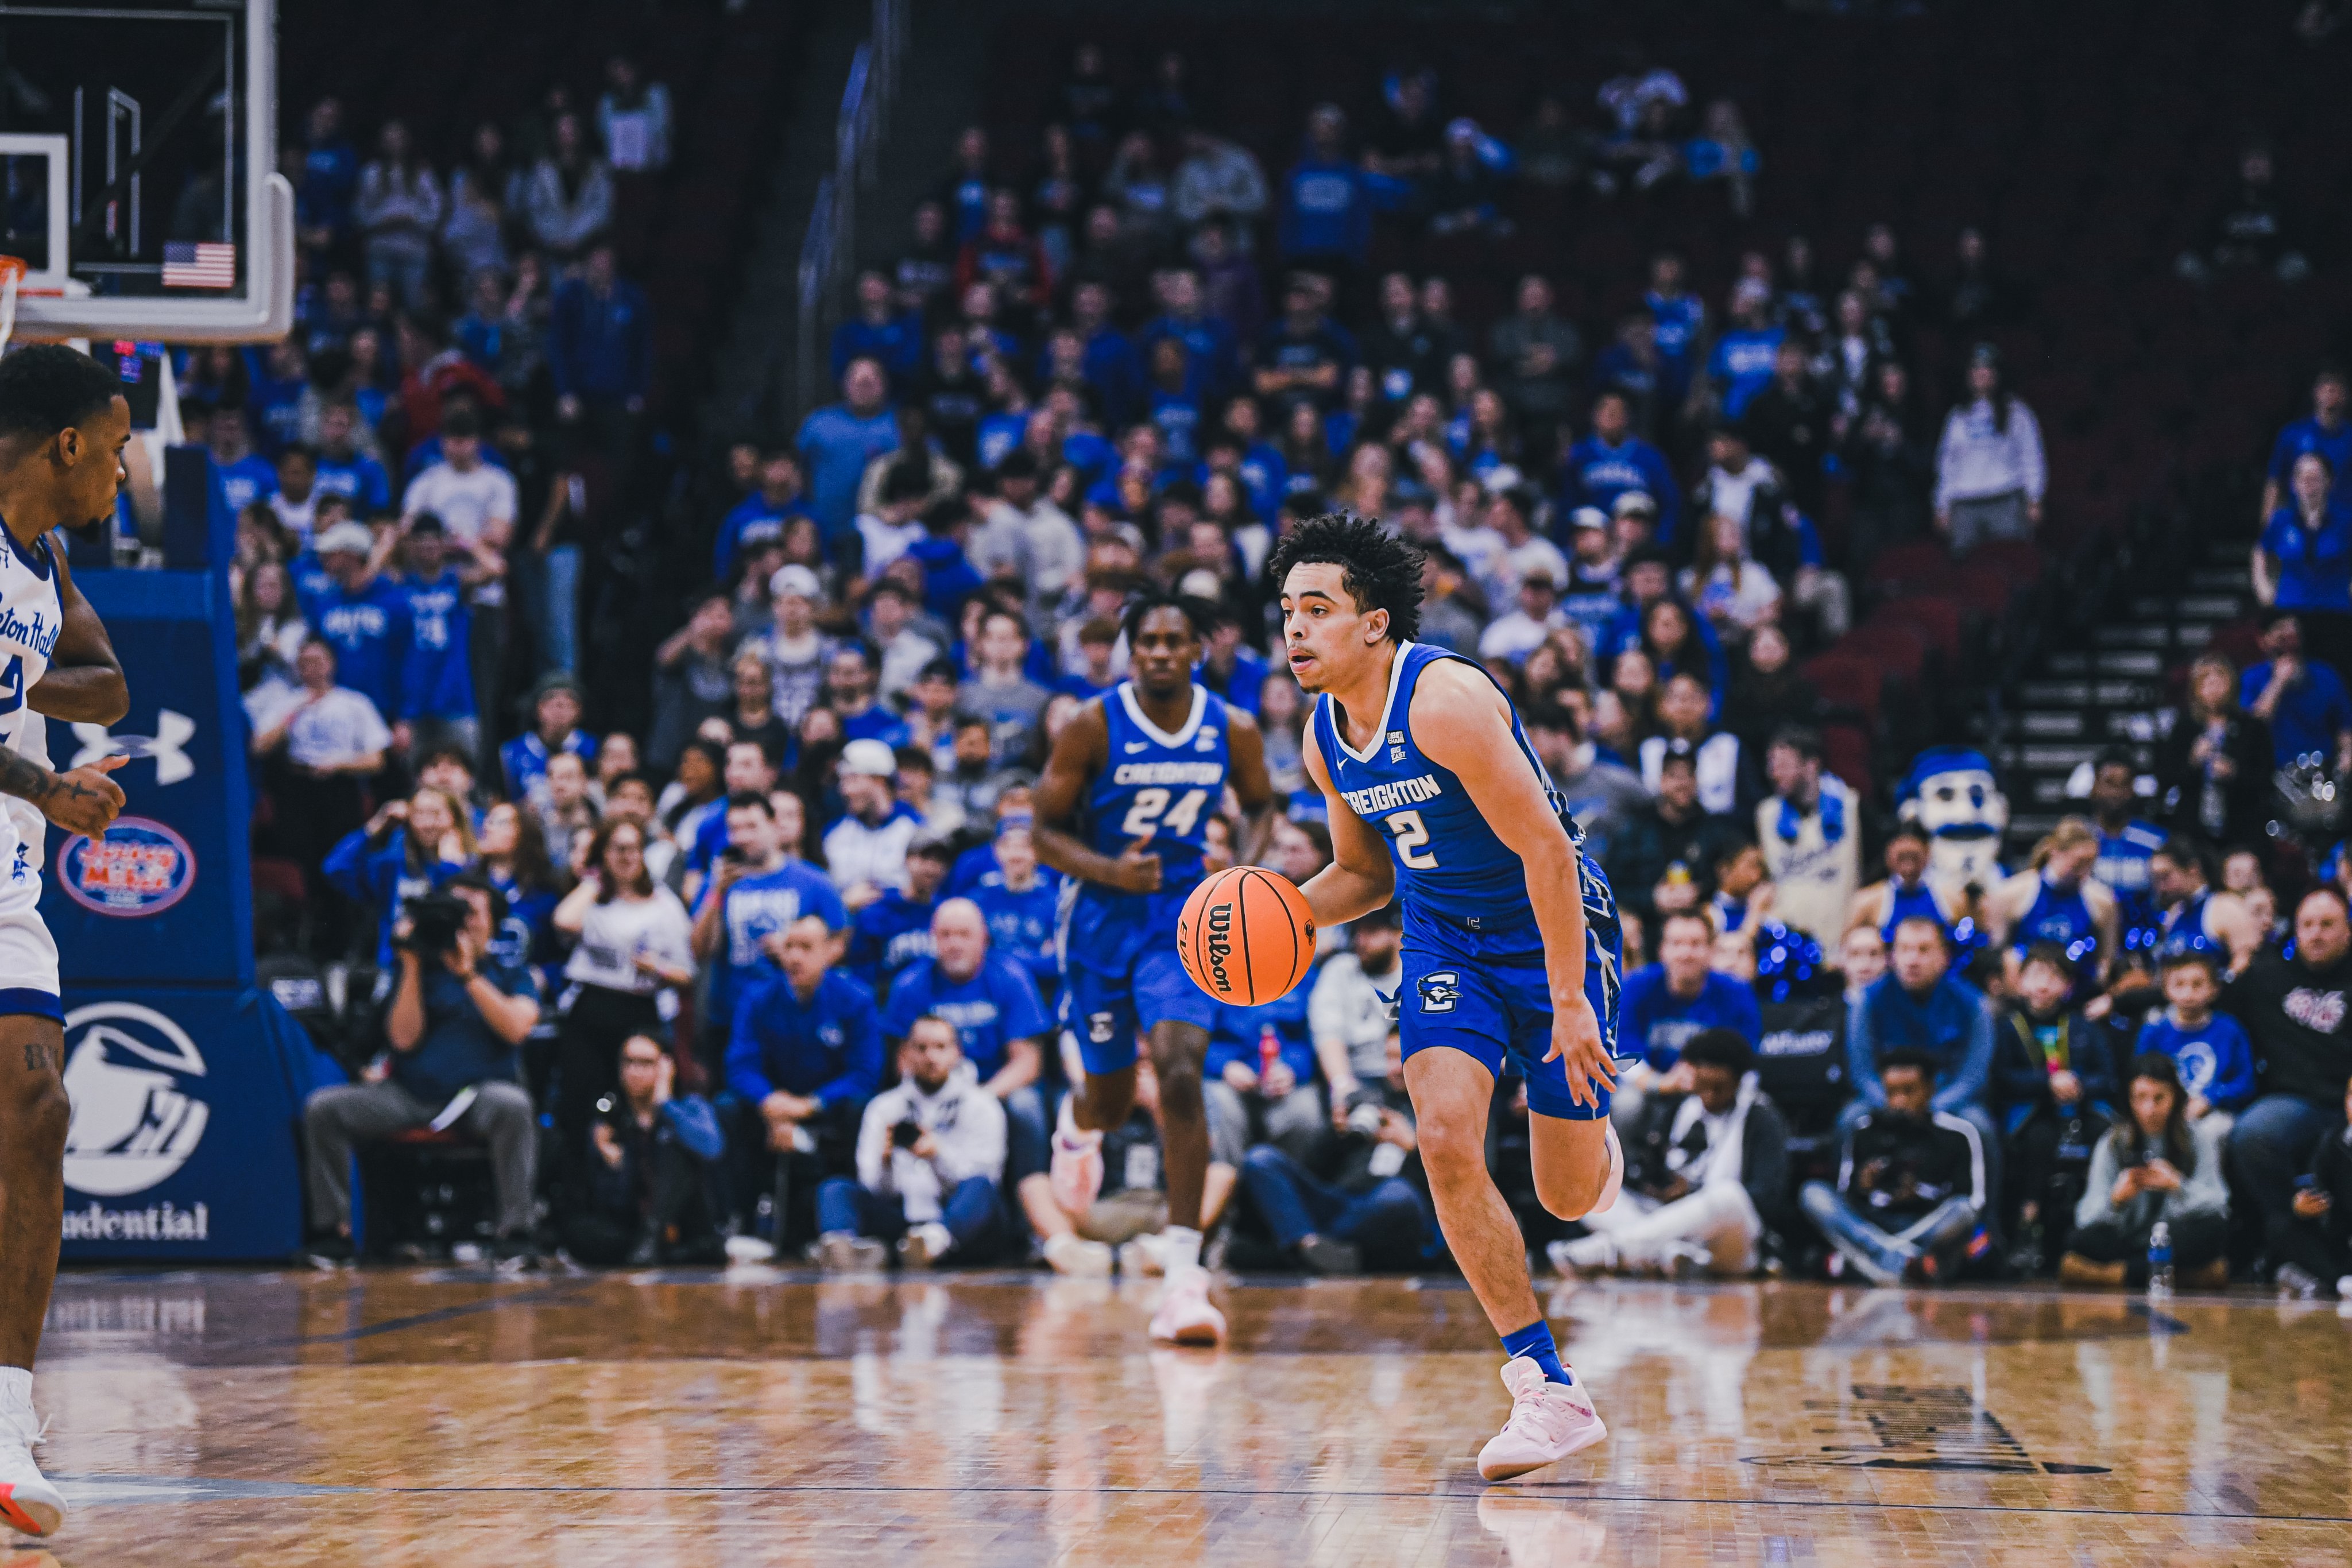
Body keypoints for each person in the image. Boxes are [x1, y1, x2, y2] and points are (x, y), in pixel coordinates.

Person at [1273, 513, 1623, 1481]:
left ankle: (1597, 1149)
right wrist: (1284, 919)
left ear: (1375, 623)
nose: (1295, 630)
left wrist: (1569, 1002)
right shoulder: (1322, 736)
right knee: (1441, 1138)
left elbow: (1548, 851)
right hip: (1441, 944)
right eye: (1287, 612)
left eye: (1317, 609)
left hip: (1549, 931)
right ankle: (1546, 1387)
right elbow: (1365, 876)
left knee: (1566, 1193)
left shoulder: (1448, 700)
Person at [1035, 591, 1274, 1347]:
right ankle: (1079, 1130)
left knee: (1179, 1069)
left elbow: (1263, 805)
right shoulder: (1091, 723)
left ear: (1197, 650)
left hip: (1183, 914)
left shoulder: (1230, 727)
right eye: (1149, 642)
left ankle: (1182, 1275)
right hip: (1103, 918)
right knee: (1109, 1100)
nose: (1163, 652)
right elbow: (1040, 831)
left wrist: (1244, 865)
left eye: (1176, 640)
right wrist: (1107, 867)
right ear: (1130, 651)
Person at [0, 344, 135, 1538]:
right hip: (21, 820)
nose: (130, 467)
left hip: (3, 882)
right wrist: (40, 786)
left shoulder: (43, 557)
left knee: (38, 1117)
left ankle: (3, 1424)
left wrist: (17, 691)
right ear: (69, 444)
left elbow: (106, 685)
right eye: (122, 442)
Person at [301, 874, 541, 1268]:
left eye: (472, 913)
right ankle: (334, 1234)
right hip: (410, 1095)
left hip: (475, 1097)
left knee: (514, 1105)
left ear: (493, 923)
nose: (463, 922)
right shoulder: (418, 971)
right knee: (324, 1109)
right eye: (455, 913)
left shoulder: (509, 973)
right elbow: (403, 1040)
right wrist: (411, 965)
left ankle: (516, 1234)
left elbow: (517, 1027)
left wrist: (468, 975)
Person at [1549, 1028, 1788, 1279]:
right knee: (1592, 1195)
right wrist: (1653, 1185)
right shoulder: (1677, 1107)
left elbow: (1766, 1197)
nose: (1709, 1096)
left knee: (1730, 1196)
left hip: (1728, 1238)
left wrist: (1692, 1193)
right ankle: (1671, 1255)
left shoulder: (1762, 1117)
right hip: (1665, 1221)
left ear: (1739, 1081)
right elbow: (1641, 1170)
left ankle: (1609, 1252)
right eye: (1703, 1086)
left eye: (1719, 1088)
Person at [725, 913, 885, 1254]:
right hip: (771, 1108)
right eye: (789, 947)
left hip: (827, 1109)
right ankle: (737, 1220)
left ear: (830, 952)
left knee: (863, 1108)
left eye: (806, 948)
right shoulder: (758, 998)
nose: (795, 957)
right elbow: (740, 1065)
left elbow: (865, 1074)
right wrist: (768, 1102)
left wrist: (810, 1105)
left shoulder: (857, 999)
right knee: (726, 1108)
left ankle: (846, 1226)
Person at [814, 1015, 1011, 1270]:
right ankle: (842, 1252)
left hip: (959, 1226)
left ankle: (931, 1245)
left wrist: (937, 1156)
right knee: (835, 1189)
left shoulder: (982, 1106)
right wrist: (886, 1164)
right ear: (905, 1054)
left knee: (981, 1186)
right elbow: (872, 1186)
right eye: (921, 1048)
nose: (931, 1057)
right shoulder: (883, 1107)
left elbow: (986, 1183)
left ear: (957, 1053)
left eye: (940, 1047)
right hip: (903, 1224)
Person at [1237, 1031, 1432, 1276]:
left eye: (1403, 1059)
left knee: (1399, 1195)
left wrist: (1412, 1147)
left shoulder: (1437, 1108)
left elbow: (1456, 1188)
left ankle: (1306, 1250)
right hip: (1336, 1204)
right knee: (1261, 1159)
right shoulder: (1367, 1095)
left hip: (1386, 1212)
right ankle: (1308, 1247)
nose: (1395, 1068)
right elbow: (1314, 1169)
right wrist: (1337, 1134)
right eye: (1389, 1057)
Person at [550, 819, 695, 1145]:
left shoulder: (663, 904)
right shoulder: (592, 899)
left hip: (637, 1011)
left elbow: (687, 974)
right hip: (590, 1008)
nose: (627, 857)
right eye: (618, 849)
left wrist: (656, 966)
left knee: (625, 1106)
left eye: (634, 849)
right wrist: (594, 879)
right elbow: (564, 921)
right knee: (581, 1101)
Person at [2226, 888, 2352, 1260]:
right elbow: (2201, 1003)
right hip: (2295, 1103)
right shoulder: (2267, 977)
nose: (2316, 933)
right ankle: (2295, 1232)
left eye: (2327, 925)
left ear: (2348, 930)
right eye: (2307, 924)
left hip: (2348, 1102)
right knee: (2253, 1133)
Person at [688, 792, 847, 1077]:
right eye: (734, 829)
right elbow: (699, 950)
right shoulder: (719, 882)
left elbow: (841, 940)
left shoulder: (813, 881)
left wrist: (795, 950)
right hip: (730, 1014)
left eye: (752, 827)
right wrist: (717, 893)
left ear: (774, 826)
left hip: (794, 1015)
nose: (741, 837)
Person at [1800, 1047, 1989, 1286]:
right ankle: (1905, 1264)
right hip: (1873, 1224)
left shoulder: (1959, 1133)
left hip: (1927, 1224)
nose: (1899, 1102)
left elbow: (1973, 1201)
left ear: (1930, 1090)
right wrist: (1863, 1187)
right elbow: (1844, 1199)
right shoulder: (1863, 1131)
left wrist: (1918, 1194)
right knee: (1813, 1193)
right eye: (1892, 1093)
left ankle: (1876, 1265)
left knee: (1963, 1211)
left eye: (1909, 1092)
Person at [2059, 1054, 2231, 1290]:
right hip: (2128, 1239)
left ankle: (2125, 1274)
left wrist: (2178, 1185)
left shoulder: (2197, 1138)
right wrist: (2115, 1200)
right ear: (2129, 1100)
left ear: (2175, 1098)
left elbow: (2219, 1204)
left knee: (2215, 1230)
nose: (2149, 1109)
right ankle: (2173, 1277)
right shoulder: (2113, 1142)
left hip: (2176, 1237)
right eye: (2140, 1098)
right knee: (2078, 1239)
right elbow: (2086, 1216)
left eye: (2159, 1098)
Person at [1993, 945, 2117, 1272]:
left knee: (2106, 1137)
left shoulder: (2083, 1027)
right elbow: (2001, 1077)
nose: (2044, 985)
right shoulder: (2008, 1027)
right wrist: (2045, 1084)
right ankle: (2028, 1224)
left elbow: (2107, 1077)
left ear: (2069, 986)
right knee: (2038, 1141)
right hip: (2032, 1112)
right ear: (2020, 983)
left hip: (2082, 1110)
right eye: (2035, 975)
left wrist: (2078, 1085)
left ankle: (2100, 1221)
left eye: (2054, 977)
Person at [558, 1035, 726, 1267]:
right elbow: (607, 1199)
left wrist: (665, 1104)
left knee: (675, 1149)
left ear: (666, 1066)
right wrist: (614, 1162)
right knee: (578, 1231)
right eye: (629, 1062)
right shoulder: (610, 1119)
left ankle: (654, 1240)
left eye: (646, 1063)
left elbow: (713, 1149)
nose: (635, 1071)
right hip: (631, 1226)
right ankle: (657, 1251)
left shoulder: (689, 1107)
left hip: (684, 1221)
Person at [1615, 911, 1762, 1124]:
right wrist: (1662, 1083)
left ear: (1711, 950)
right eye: (1676, 943)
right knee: (1627, 1104)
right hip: (1650, 1087)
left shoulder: (1737, 993)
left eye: (1695, 944)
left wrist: (1706, 1079)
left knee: (1753, 1105)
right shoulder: (1635, 987)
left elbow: (1747, 1060)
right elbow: (1622, 1058)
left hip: (1713, 1087)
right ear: (1662, 950)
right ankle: (1622, 1159)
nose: (1686, 953)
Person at [1933, 344, 2045, 556]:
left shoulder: (2017, 412)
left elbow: (2031, 455)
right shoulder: (1958, 416)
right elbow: (1947, 463)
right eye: (1976, 368)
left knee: (2010, 560)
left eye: (1987, 368)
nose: (1981, 374)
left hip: (2005, 499)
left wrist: (2034, 498)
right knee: (1965, 569)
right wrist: (1941, 505)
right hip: (1965, 504)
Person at [1987, 817, 2118, 996]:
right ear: (2055, 852)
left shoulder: (2103, 900)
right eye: (2079, 863)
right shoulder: (2012, 893)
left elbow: (2106, 960)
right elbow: (1998, 953)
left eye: (2090, 863)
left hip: (2078, 997)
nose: (2084, 872)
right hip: (2024, 995)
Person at [1754, 727, 1859, 944]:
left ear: (1811, 765)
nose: (1775, 773)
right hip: (1787, 945)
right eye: (1772, 765)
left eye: (1784, 765)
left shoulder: (1851, 806)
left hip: (1841, 941)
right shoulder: (1766, 814)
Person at [2136, 949, 2256, 1125]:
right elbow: (2141, 1078)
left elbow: (2245, 1082)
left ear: (2215, 989)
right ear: (2166, 989)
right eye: (2179, 984)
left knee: (2211, 1130)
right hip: (2163, 1113)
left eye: (2198, 984)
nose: (2188, 994)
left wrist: (2212, 1098)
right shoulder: (2153, 1032)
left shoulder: (2230, 1030)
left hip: (2215, 1113)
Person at [2270, 1070, 2352, 1299]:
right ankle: (2338, 1281)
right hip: (2343, 1237)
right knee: (2281, 1226)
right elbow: (2318, 1187)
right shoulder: (2333, 1141)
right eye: (2351, 1095)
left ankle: (2326, 1281)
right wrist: (2303, 1208)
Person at [2241, 610, 2352, 776]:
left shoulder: (2326, 675)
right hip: (2270, 772)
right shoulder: (2252, 677)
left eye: (2294, 635)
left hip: (2319, 770)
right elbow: (2251, 728)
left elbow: (2345, 726)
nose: (2289, 643)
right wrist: (2277, 684)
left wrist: (2347, 754)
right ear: (2264, 640)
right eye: (2282, 637)